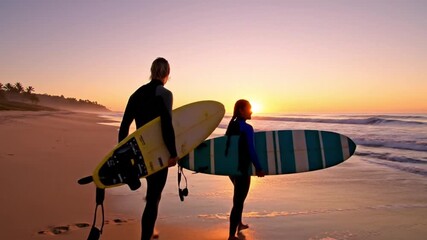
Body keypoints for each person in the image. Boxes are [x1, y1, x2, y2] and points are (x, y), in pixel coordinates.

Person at [118, 57, 179, 240]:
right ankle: (146, 236)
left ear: (152, 71)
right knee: (153, 198)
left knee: (151, 196)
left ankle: (148, 232)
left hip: (139, 152)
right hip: (159, 153)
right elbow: (166, 125)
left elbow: (124, 126)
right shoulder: (165, 94)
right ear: (167, 73)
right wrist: (173, 153)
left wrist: (122, 153)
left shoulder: (136, 94)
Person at [225, 99, 265, 240]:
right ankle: (231, 235)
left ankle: (239, 223)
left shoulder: (231, 125)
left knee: (239, 199)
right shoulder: (247, 128)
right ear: (241, 110)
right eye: (249, 109)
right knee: (238, 201)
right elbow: (251, 150)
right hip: (242, 169)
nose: (251, 111)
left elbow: (227, 148)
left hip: (231, 169)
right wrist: (259, 168)